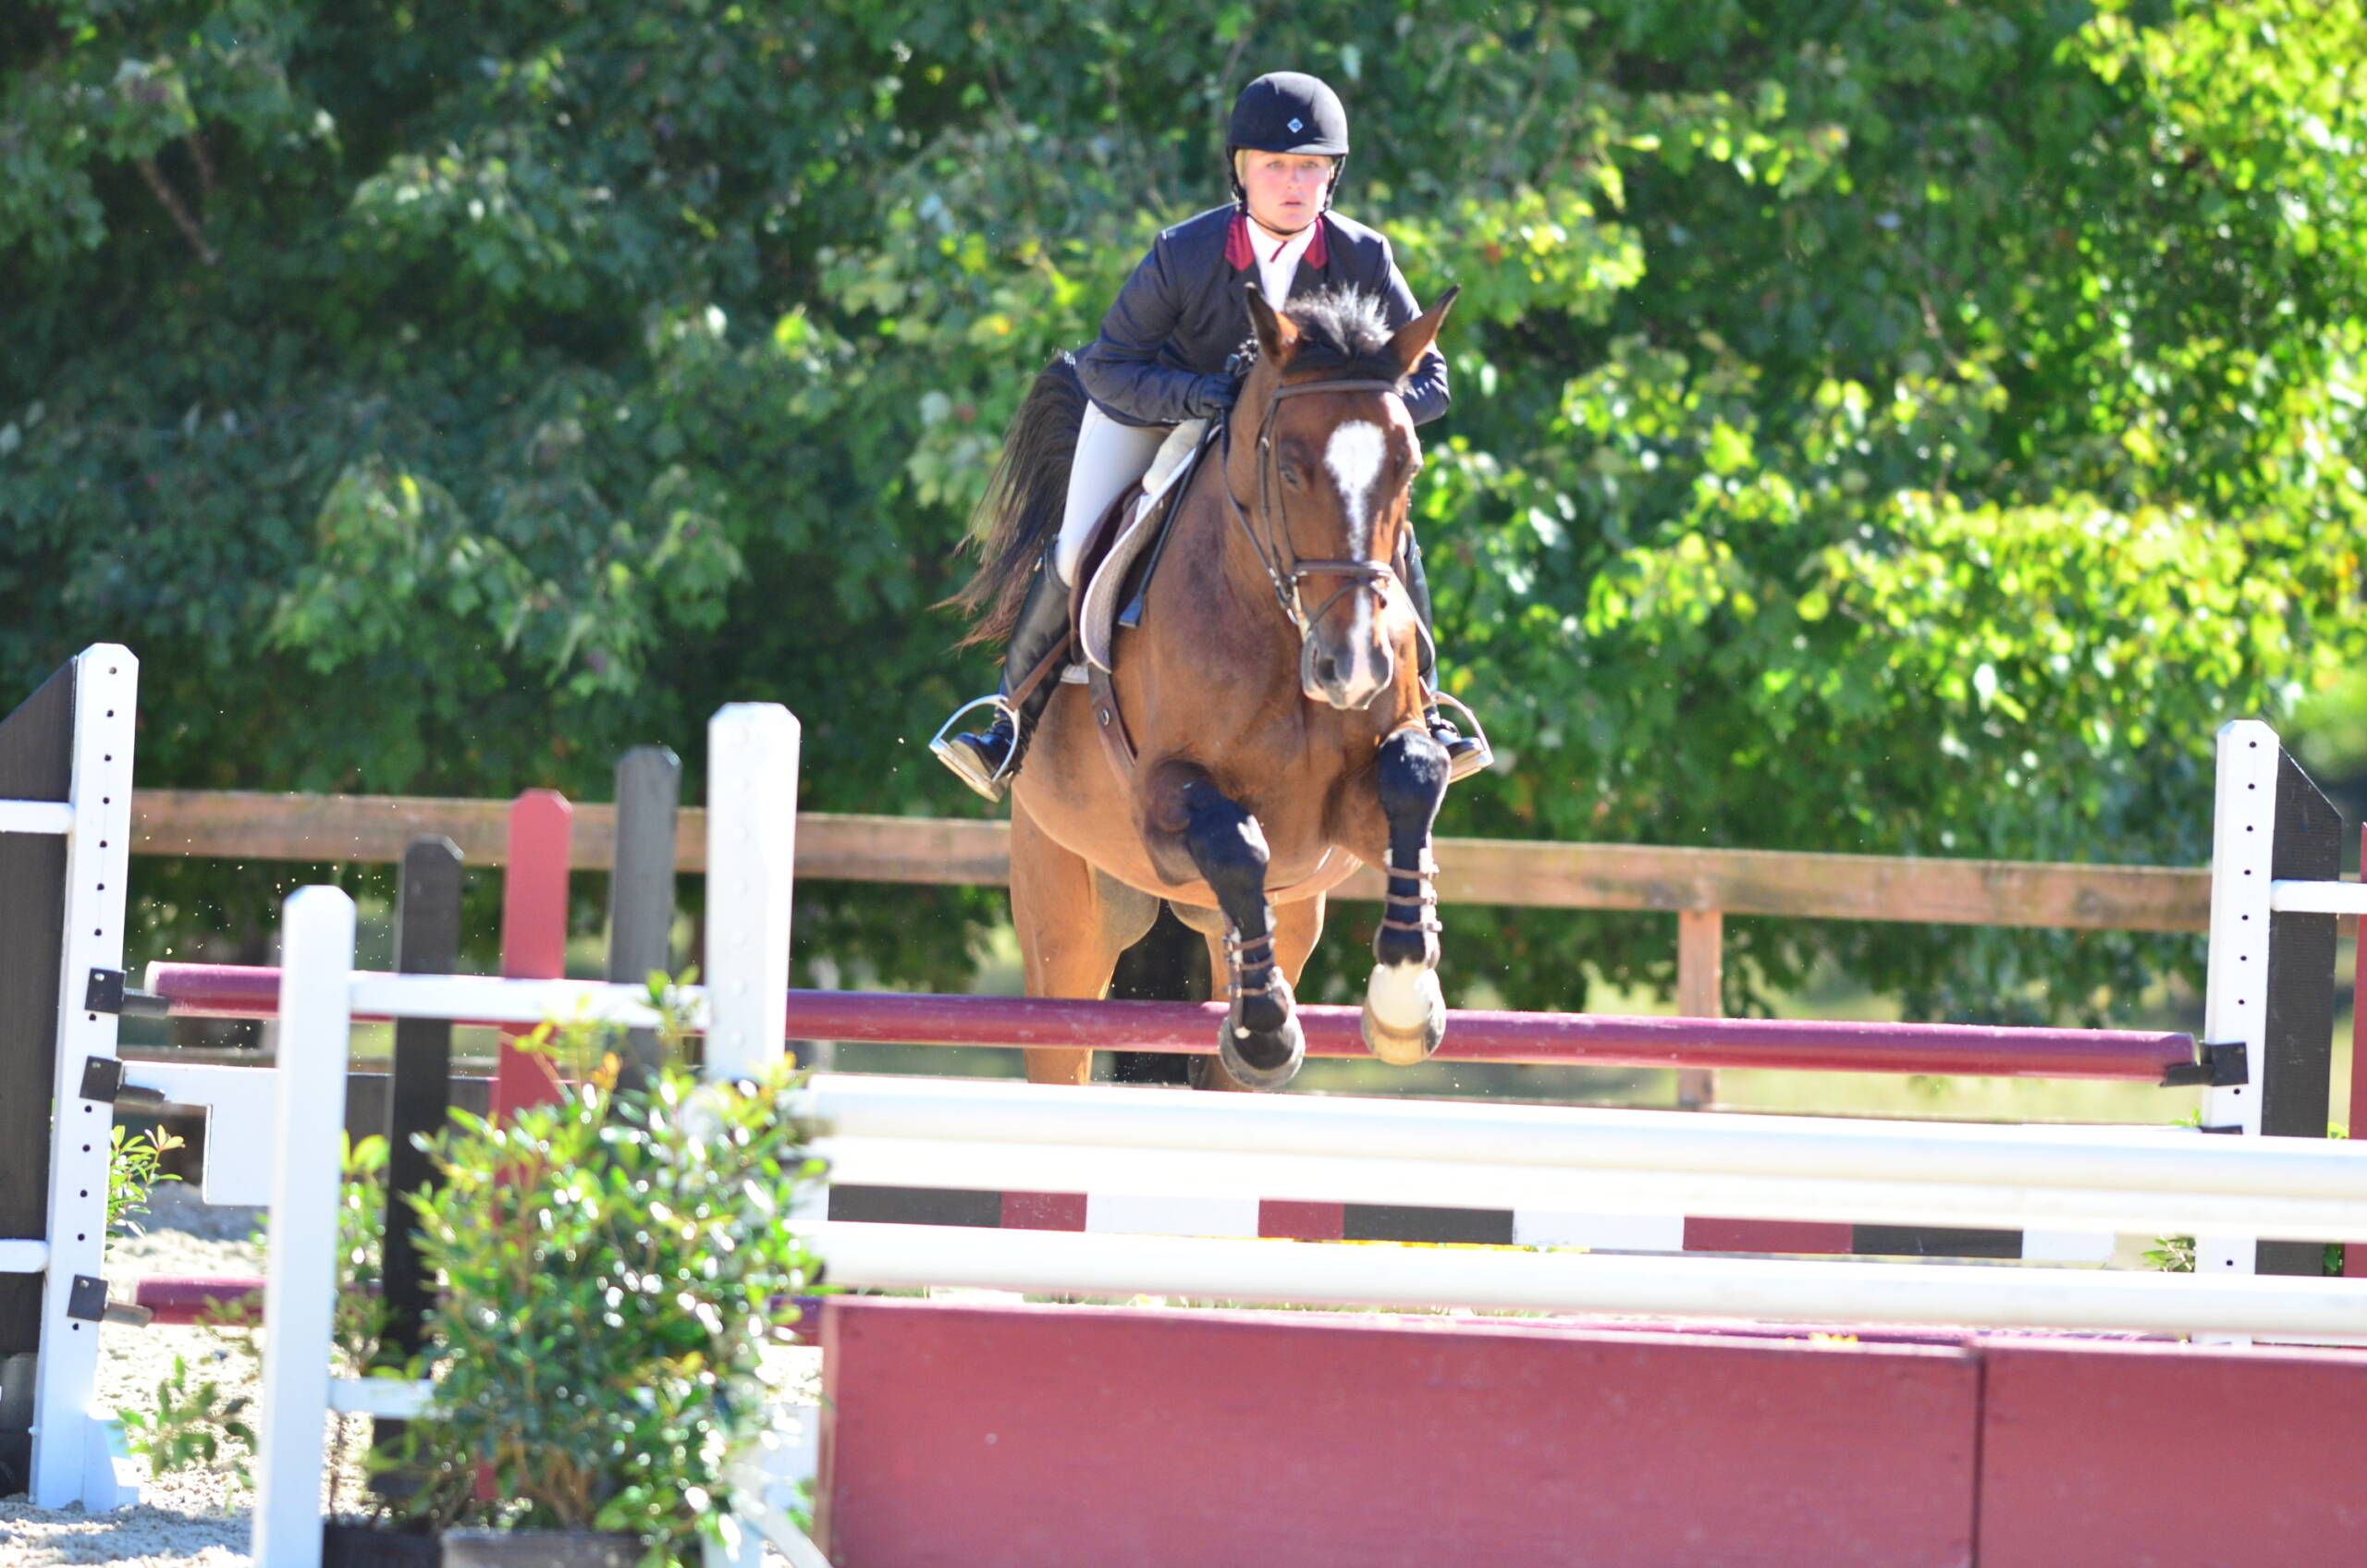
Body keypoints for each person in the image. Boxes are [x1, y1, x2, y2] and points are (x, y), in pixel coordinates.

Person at [933, 69, 1488, 801]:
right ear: (1242, 171)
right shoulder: (1184, 253)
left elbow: (1433, 381)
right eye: (1276, 166)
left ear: (1333, 177)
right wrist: (1201, 394)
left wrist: (1353, 418)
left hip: (1300, 450)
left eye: (1311, 168)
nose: (1295, 183)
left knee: (1388, 540)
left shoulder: (1364, 256)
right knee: (1077, 547)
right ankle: (1009, 721)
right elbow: (1108, 366)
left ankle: (1429, 715)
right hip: (1166, 413)